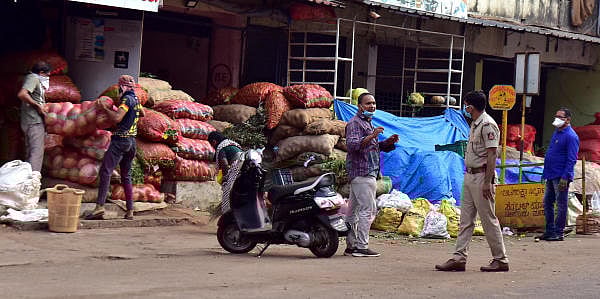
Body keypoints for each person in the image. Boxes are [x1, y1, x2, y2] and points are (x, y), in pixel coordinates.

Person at [435, 90, 509, 272]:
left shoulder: (487, 125)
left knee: (488, 219)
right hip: (469, 176)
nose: (465, 108)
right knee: (465, 219)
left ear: (471, 106)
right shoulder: (475, 124)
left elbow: (492, 154)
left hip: (482, 176)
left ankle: (501, 259)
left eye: (466, 104)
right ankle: (459, 257)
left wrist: (488, 181)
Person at [344, 93, 398, 257]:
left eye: (374, 103)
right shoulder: (355, 123)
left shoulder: (367, 122)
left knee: (353, 211)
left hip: (367, 172)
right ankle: (361, 247)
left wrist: (386, 143)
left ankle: (351, 245)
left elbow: (370, 147)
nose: (372, 106)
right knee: (367, 210)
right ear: (360, 106)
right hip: (362, 173)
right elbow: (353, 145)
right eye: (368, 103)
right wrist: (373, 135)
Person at [87, 75, 145, 220]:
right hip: (132, 142)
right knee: (126, 176)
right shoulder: (136, 99)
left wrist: (106, 109)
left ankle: (99, 207)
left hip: (121, 140)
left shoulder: (126, 99)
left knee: (105, 171)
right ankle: (130, 210)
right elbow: (142, 113)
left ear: (122, 87)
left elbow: (117, 118)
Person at [537, 108, 579, 242]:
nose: (557, 118)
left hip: (561, 176)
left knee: (561, 204)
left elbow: (572, 159)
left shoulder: (571, 136)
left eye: (560, 117)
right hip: (550, 174)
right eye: (556, 116)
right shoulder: (557, 132)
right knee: (547, 203)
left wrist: (565, 177)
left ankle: (558, 232)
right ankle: (549, 231)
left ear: (568, 120)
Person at [17, 61, 51, 172]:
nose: (48, 78)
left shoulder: (34, 79)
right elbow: (22, 94)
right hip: (33, 121)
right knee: (36, 153)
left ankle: (27, 182)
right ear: (41, 73)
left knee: (30, 152)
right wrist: (37, 106)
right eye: (47, 75)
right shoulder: (33, 78)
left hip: (31, 120)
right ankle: (33, 183)